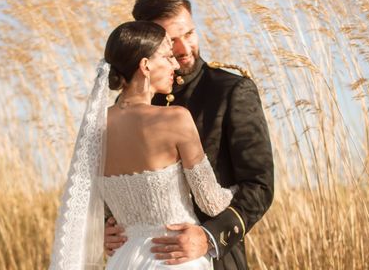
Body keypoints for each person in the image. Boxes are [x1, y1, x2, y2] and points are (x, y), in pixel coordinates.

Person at [105, 0, 274, 270]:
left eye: (190, 34)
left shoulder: (231, 90)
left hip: (216, 258)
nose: (183, 49)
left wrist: (209, 237)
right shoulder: (127, 106)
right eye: (171, 41)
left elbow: (259, 186)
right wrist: (105, 228)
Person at [49, 21, 235, 269]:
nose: (176, 65)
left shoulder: (94, 128)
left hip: (123, 260)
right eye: (168, 57)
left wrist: (107, 230)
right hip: (174, 257)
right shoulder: (176, 118)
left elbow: (90, 203)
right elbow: (211, 202)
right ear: (145, 66)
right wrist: (240, 189)